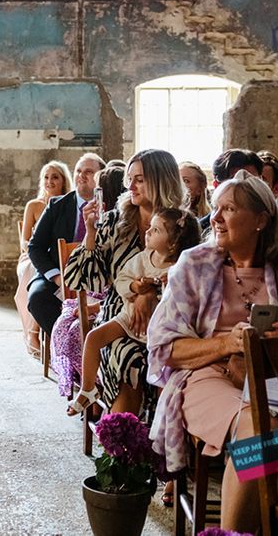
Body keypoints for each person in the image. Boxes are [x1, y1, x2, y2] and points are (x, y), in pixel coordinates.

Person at [148, 170, 278, 533]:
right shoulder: (194, 264)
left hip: (277, 377)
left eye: (228, 209)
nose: (214, 217)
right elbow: (165, 346)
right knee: (257, 430)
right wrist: (227, 344)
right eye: (216, 208)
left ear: (261, 219)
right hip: (209, 376)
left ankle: (276, 526)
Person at [65, 149, 183, 415]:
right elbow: (81, 279)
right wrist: (91, 233)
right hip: (120, 318)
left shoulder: (181, 225)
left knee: (184, 360)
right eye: (129, 178)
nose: (130, 186)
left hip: (170, 319)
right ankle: (123, 443)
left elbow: (194, 277)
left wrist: (150, 292)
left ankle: (168, 441)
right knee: (131, 357)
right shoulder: (114, 223)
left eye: (139, 179)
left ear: (161, 180)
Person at [67, 207, 201, 415]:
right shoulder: (143, 258)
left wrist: (162, 287)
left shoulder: (182, 267)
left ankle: (161, 416)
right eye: (151, 227)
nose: (148, 232)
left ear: (173, 242)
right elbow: (121, 279)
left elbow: (184, 299)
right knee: (94, 338)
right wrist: (134, 288)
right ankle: (88, 389)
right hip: (127, 317)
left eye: (156, 230)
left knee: (161, 371)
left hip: (160, 329)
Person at [50, 164, 123, 397]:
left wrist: (93, 306)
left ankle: (94, 388)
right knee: (64, 321)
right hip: (100, 294)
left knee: (76, 329)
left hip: (113, 303)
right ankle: (85, 384)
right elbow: (78, 277)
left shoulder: (120, 229)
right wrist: (90, 233)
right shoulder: (100, 225)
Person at [27, 153, 105, 336]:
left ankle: (90, 349)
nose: (81, 175)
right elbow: (35, 246)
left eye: (88, 172)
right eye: (78, 171)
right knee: (38, 299)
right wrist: (57, 277)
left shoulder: (108, 208)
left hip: (97, 278)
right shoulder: (57, 205)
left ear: (101, 177)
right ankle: (64, 349)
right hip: (58, 274)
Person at [15, 161, 72, 358]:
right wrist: (31, 250)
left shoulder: (69, 205)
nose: (50, 181)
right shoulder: (34, 205)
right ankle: (33, 332)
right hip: (34, 257)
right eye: (46, 177)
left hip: (58, 258)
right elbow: (25, 240)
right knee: (33, 268)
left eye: (55, 177)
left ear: (64, 181)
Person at [199, 148, 278, 238]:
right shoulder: (201, 229)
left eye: (252, 181)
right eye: (236, 183)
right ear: (217, 186)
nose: (246, 189)